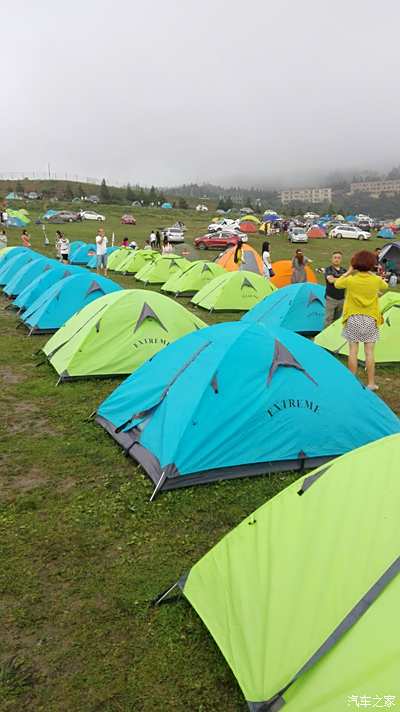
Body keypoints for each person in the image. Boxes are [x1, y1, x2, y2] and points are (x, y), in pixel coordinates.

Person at [334, 251, 388, 391]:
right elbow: (385, 286)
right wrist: (372, 274)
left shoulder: (351, 280)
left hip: (353, 318)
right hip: (370, 318)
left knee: (353, 350)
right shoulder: (375, 280)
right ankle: (371, 383)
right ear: (371, 265)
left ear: (355, 264)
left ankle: (352, 381)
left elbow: (337, 284)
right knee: (369, 352)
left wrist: (349, 272)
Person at [323, 251, 346, 327]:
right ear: (332, 259)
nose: (337, 259)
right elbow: (331, 280)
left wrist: (336, 278)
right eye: (335, 258)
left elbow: (348, 282)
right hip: (331, 298)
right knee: (328, 319)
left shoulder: (344, 270)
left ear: (341, 259)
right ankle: (325, 337)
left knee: (337, 320)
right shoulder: (328, 269)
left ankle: (333, 336)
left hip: (342, 298)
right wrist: (342, 279)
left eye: (339, 258)